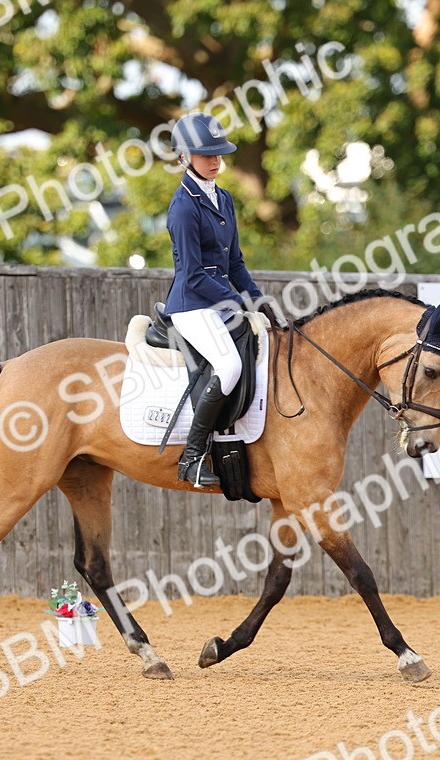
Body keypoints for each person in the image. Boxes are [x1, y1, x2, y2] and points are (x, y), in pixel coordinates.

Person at [163, 112, 283, 487]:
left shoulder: (224, 199)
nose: (216, 161)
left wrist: (259, 299)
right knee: (229, 367)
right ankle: (192, 457)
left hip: (219, 302)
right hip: (191, 305)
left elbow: (234, 263)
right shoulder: (183, 207)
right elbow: (193, 274)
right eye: (206, 155)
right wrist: (238, 303)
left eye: (219, 153)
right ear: (184, 156)